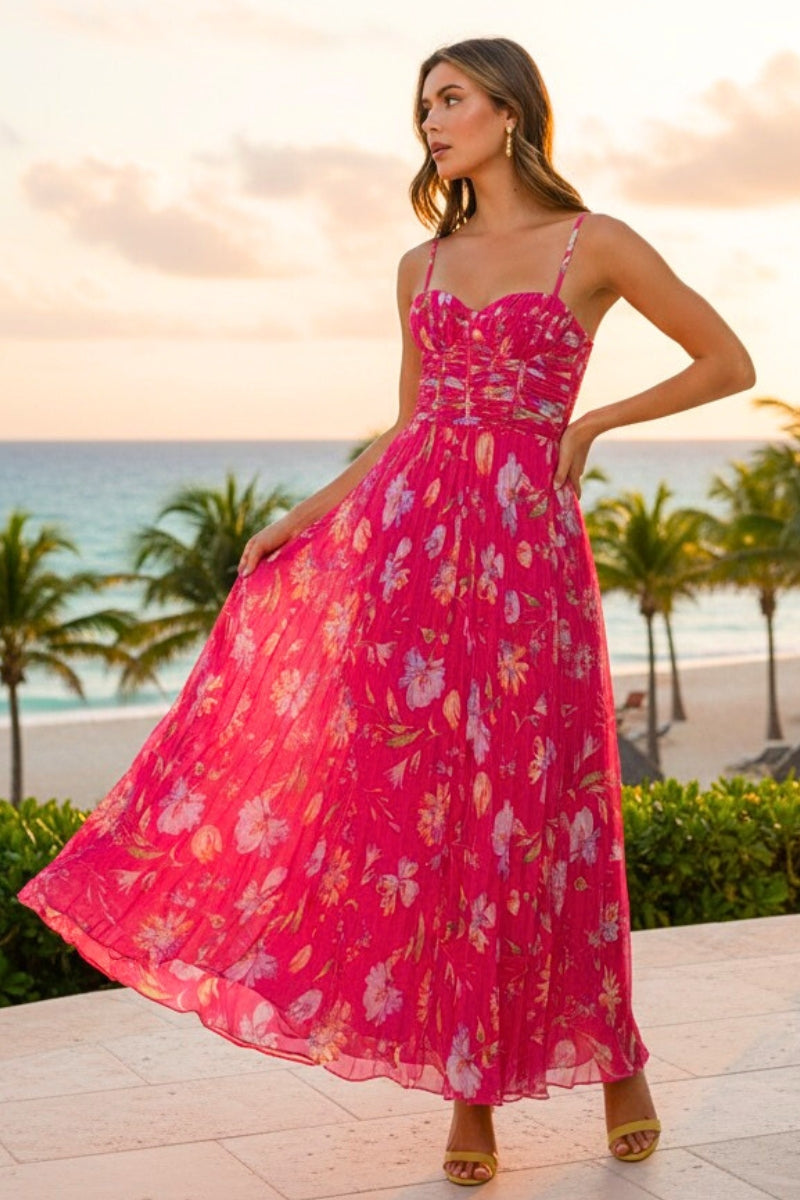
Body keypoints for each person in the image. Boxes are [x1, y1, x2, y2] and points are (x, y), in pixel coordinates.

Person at [17, 36, 754, 1189]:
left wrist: (590, 424)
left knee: (551, 811)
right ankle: (469, 1091)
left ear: (509, 112)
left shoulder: (591, 243)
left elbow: (724, 359)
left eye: (450, 99)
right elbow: (405, 431)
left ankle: (615, 1057)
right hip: (411, 574)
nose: (430, 120)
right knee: (434, 828)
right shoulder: (418, 266)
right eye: (422, 105)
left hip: (526, 568)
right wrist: (300, 519)